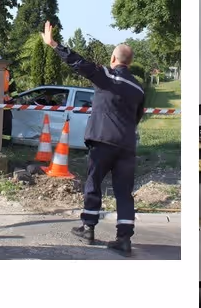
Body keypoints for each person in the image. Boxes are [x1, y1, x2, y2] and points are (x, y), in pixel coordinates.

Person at [40, 21, 144, 256]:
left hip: (102, 142)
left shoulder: (106, 76)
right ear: (130, 62)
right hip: (127, 146)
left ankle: (88, 228)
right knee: (123, 192)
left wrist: (54, 44)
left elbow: (79, 63)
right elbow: (138, 116)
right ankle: (124, 239)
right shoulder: (138, 88)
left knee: (93, 184)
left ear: (113, 59)